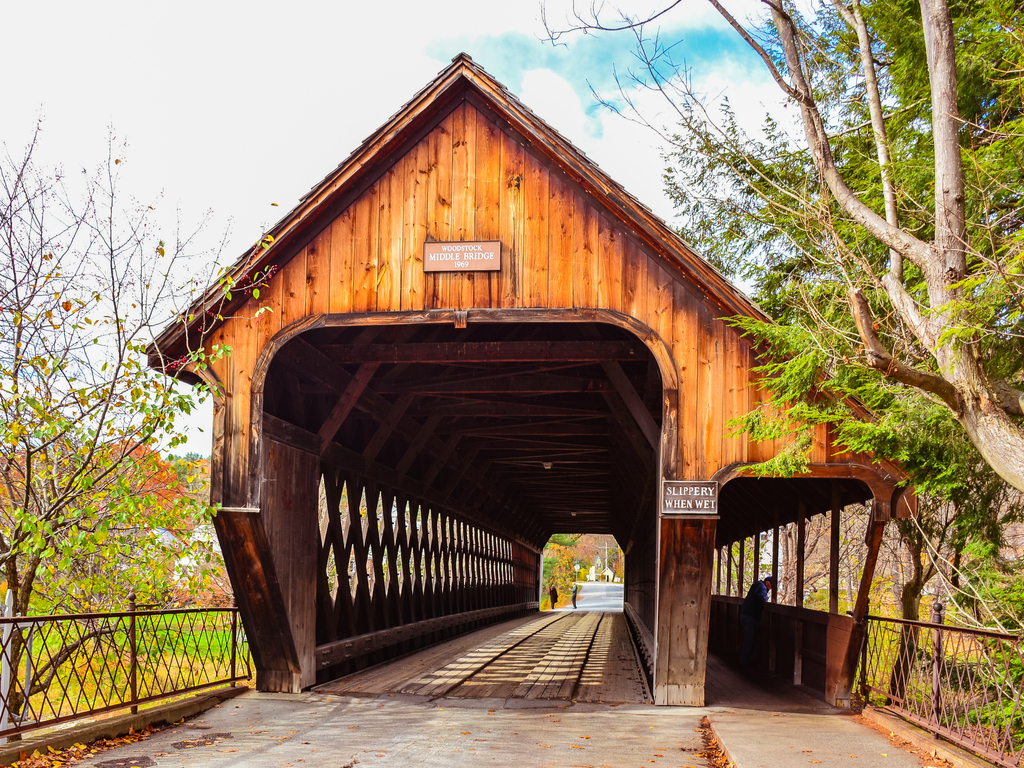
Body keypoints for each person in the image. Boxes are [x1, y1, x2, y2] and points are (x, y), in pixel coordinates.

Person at [739, 574, 774, 668]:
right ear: (767, 583)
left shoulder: (756, 585)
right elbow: (762, 598)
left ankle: (745, 659)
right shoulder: (762, 587)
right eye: (771, 585)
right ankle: (744, 662)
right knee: (749, 640)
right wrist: (767, 598)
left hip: (744, 613)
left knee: (748, 638)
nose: (770, 589)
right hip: (750, 616)